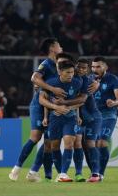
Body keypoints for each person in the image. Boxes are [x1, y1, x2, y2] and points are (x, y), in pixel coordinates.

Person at [9, 38, 63, 182]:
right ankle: (16, 169)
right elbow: (34, 78)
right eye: (59, 45)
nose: (61, 47)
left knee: (49, 142)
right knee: (35, 137)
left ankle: (33, 172)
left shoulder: (59, 65)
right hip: (39, 105)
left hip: (51, 106)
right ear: (52, 48)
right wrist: (51, 88)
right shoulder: (46, 64)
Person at [39, 60, 87, 182]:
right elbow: (42, 100)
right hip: (54, 118)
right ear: (60, 71)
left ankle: (64, 173)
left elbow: (81, 101)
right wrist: (51, 111)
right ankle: (60, 173)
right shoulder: (50, 83)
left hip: (69, 118)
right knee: (54, 146)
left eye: (72, 72)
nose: (70, 75)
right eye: (67, 72)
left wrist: (68, 108)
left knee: (69, 142)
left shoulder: (77, 83)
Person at [91, 56, 118, 181]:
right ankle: (94, 171)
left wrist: (114, 103)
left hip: (108, 115)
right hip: (93, 116)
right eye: (93, 66)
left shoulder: (113, 79)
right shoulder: (89, 79)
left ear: (105, 67)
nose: (95, 69)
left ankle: (100, 174)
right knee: (91, 144)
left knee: (102, 142)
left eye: (98, 66)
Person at [75, 58, 103, 182]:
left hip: (93, 117)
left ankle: (96, 174)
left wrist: (97, 83)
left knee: (90, 143)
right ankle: (87, 173)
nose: (81, 69)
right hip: (79, 118)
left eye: (84, 68)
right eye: (79, 67)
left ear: (87, 70)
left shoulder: (87, 81)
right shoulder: (72, 79)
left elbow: (81, 100)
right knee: (82, 145)